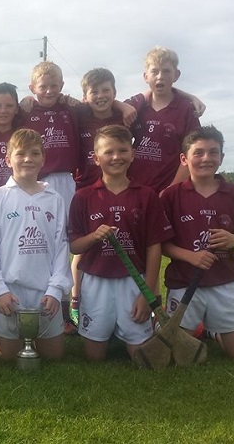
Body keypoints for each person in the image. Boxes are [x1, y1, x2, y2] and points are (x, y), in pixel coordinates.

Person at [67, 125, 173, 361]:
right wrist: (94, 237)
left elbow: (154, 247)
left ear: (133, 154)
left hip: (134, 282)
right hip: (96, 282)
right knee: (94, 357)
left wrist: (149, 294)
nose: (116, 157)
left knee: (139, 357)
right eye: (108, 152)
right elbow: (74, 247)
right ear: (96, 158)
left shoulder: (146, 196)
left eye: (123, 151)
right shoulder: (83, 197)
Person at [160, 125, 234, 360]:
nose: (206, 158)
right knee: (173, 355)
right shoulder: (170, 196)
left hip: (224, 281)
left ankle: (213, 330)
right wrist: (191, 256)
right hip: (184, 282)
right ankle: (199, 326)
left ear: (221, 158)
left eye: (213, 152)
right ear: (184, 159)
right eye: (199, 153)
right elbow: (161, 244)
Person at [0, 128, 72, 361]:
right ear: (8, 160)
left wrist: (55, 290)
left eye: (35, 153)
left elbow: (62, 248)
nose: (28, 159)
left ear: (43, 159)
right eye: (20, 154)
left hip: (45, 293)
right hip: (10, 292)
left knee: (54, 357)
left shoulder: (55, 199)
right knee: (6, 358)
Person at [19, 61, 80, 332]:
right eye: (43, 86)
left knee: (63, 243)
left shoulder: (70, 108)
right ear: (33, 88)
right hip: (34, 180)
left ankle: (66, 308)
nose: (49, 91)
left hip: (65, 180)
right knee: (35, 240)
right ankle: (27, 300)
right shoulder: (25, 111)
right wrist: (22, 102)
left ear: (62, 87)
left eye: (55, 85)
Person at [70, 68, 126, 325]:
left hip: (118, 187)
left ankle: (137, 297)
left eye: (107, 91)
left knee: (125, 240)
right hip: (86, 188)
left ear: (115, 93)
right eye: (94, 91)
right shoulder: (79, 113)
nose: (101, 96)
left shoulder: (125, 114)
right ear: (85, 96)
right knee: (82, 246)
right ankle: (75, 299)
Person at [125, 46, 201, 194]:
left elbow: (192, 153)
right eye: (154, 71)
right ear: (146, 76)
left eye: (166, 71)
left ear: (176, 75)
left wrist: (171, 189)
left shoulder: (186, 109)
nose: (160, 76)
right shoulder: (136, 106)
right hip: (135, 190)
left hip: (171, 191)